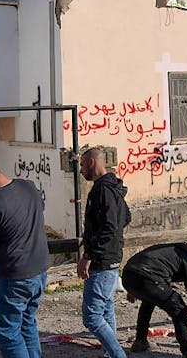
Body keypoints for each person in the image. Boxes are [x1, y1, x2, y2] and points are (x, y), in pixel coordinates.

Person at [0, 155, 51, 358]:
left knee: (8, 333)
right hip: (40, 270)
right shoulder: (29, 187)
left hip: (14, 276)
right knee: (27, 323)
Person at [78, 147, 131, 358]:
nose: (81, 171)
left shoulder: (103, 190)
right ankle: (111, 354)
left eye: (82, 165)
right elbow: (126, 217)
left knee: (91, 317)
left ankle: (118, 355)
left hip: (102, 261)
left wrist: (89, 255)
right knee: (106, 308)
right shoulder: (114, 187)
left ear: (91, 162)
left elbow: (109, 226)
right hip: (111, 257)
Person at [122, 243, 187, 357]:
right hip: (146, 275)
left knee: (149, 301)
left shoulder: (172, 252)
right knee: (179, 308)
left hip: (128, 274)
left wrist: (132, 289)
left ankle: (140, 341)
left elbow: (142, 261)